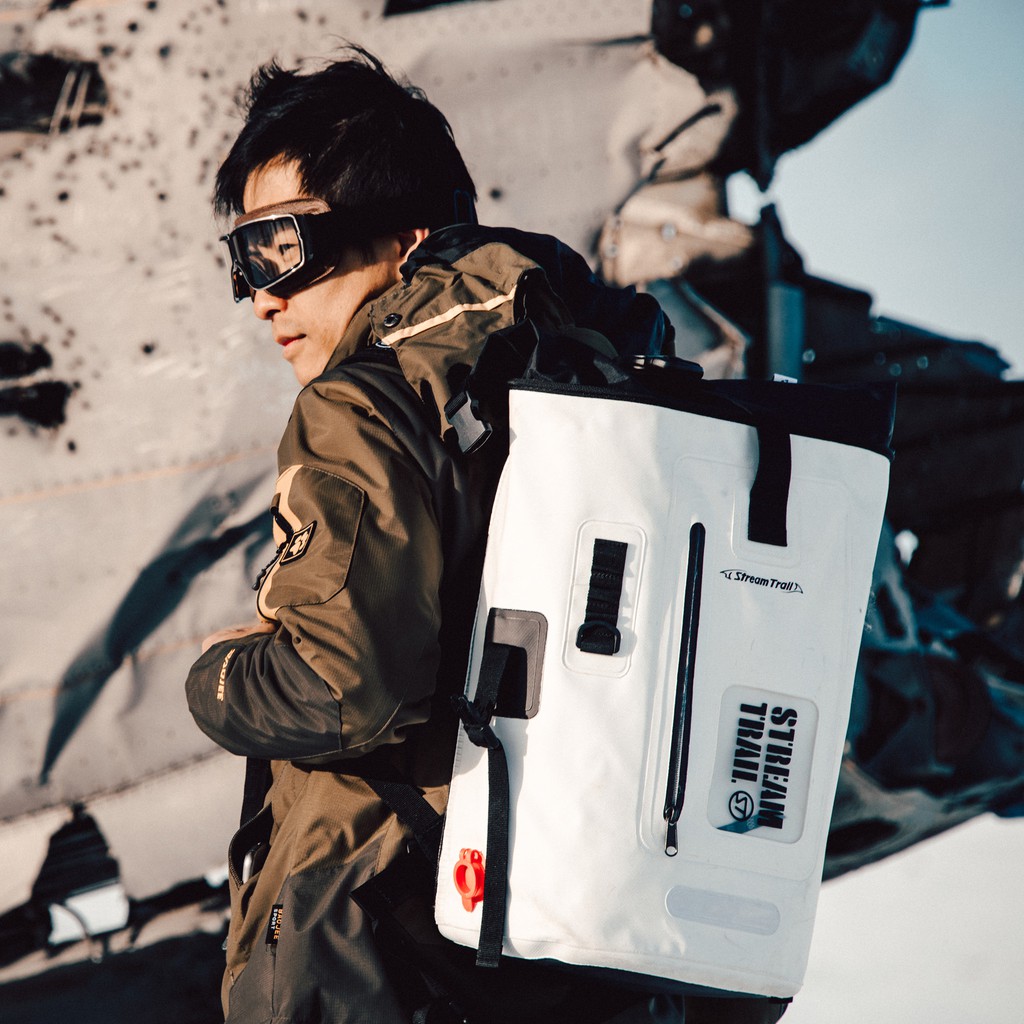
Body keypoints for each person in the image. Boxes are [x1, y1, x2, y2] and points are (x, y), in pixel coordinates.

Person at [186, 47, 789, 1024]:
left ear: (407, 238)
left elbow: (341, 689)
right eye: (243, 260)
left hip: (391, 956)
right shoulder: (607, 397)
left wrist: (219, 677)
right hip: (593, 960)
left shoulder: (361, 407)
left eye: (278, 246)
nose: (262, 295)